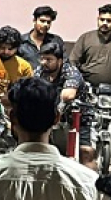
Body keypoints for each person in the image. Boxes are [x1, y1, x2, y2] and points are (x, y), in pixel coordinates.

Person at [38, 39, 96, 167]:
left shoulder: (71, 72)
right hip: (53, 117)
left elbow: (68, 95)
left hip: (80, 117)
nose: (44, 63)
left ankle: (93, 183)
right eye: (42, 59)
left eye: (48, 60)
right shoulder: (40, 72)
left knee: (85, 152)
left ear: (60, 60)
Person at [72, 3, 111, 89]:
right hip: (87, 89)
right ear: (98, 19)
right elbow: (73, 62)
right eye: (102, 19)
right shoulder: (85, 38)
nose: (104, 23)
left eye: (109, 21)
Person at [0, 26, 35, 98]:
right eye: (2, 47)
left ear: (17, 48)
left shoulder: (24, 67)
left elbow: (29, 92)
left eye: (10, 49)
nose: (6, 52)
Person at [18, 5, 62, 71]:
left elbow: (64, 63)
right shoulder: (21, 41)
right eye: (42, 21)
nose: (45, 25)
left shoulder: (56, 41)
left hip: (50, 80)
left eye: (48, 22)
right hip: (28, 79)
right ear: (34, 20)